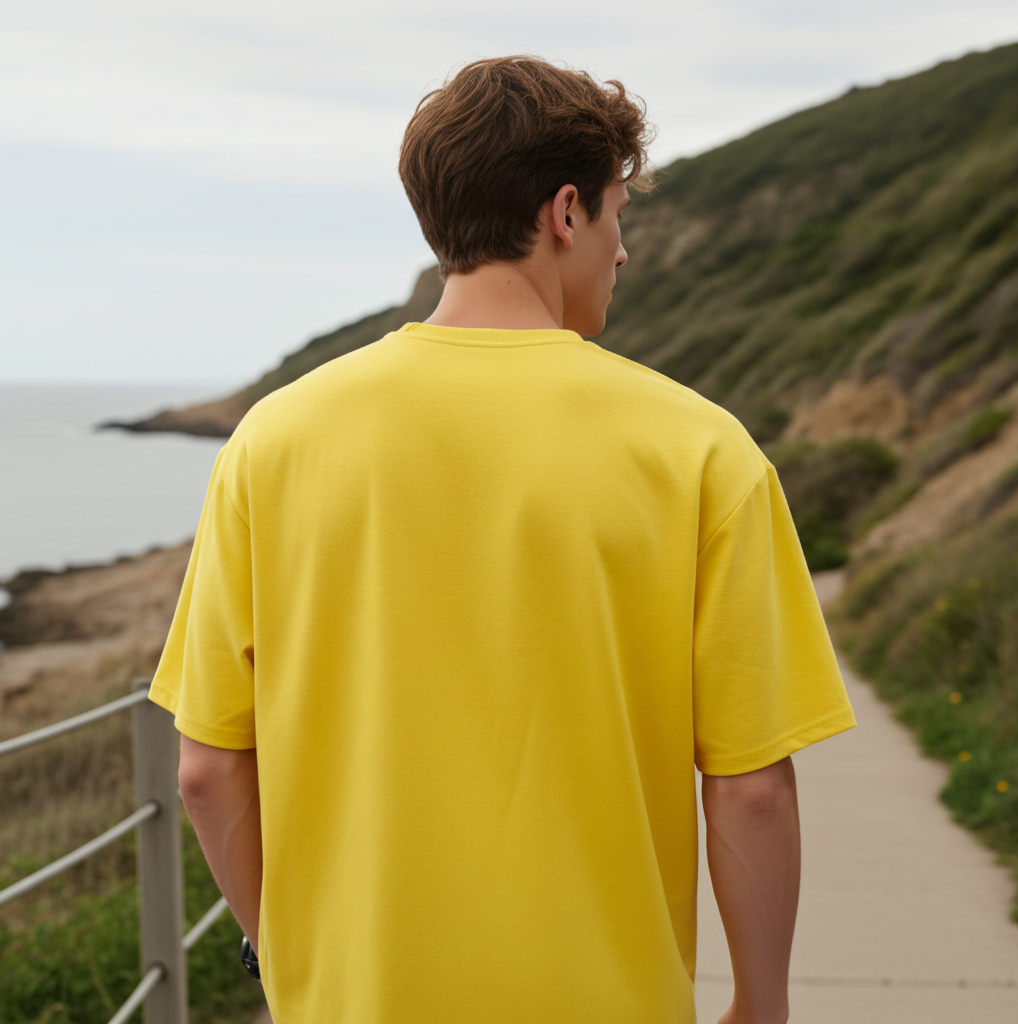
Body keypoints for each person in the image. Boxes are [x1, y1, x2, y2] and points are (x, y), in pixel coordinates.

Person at [151, 56, 856, 1024]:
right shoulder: (700, 448)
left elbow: (203, 768)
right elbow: (753, 791)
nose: (622, 250)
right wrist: (761, 1005)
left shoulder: (273, 440)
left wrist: (292, 958)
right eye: (616, 213)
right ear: (564, 212)